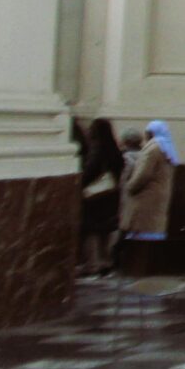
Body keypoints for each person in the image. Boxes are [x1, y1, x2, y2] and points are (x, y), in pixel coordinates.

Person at [79, 118, 122, 275]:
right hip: (112, 194)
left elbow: (90, 173)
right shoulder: (116, 151)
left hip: (95, 196)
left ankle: (93, 263)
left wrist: (80, 182)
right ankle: (106, 261)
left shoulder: (98, 149)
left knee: (91, 230)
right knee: (107, 229)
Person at [121, 120, 177, 242]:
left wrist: (129, 186)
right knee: (153, 233)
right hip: (158, 197)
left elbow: (142, 176)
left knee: (140, 238)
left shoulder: (152, 149)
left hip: (146, 200)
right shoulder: (166, 147)